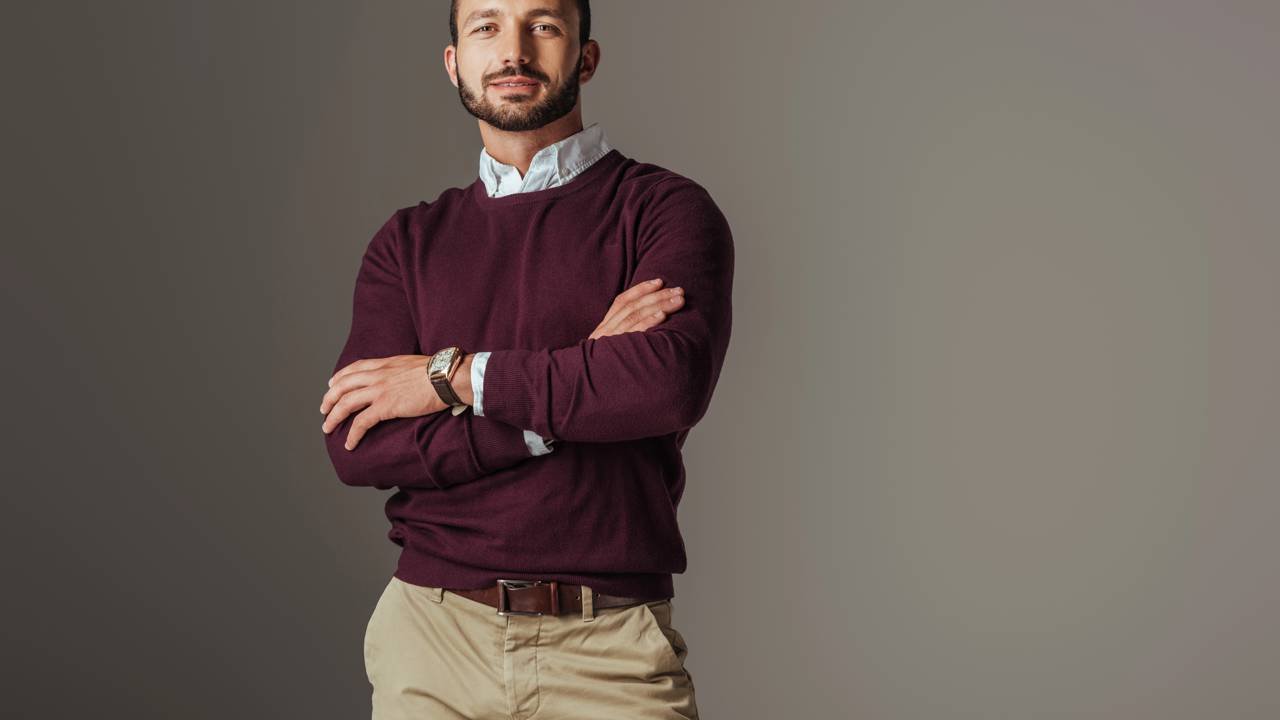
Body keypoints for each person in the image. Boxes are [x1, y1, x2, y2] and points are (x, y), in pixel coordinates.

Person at [318, 1, 733, 717]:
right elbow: (358, 445)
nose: (513, 50)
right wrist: (568, 390)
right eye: (486, 27)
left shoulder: (665, 211)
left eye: (543, 25)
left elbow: (665, 386)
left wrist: (448, 378)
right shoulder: (407, 242)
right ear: (455, 64)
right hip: (431, 639)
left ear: (586, 57)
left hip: (608, 644)